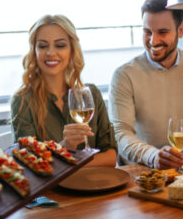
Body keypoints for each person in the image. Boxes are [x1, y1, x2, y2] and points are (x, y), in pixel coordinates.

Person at [108, 0, 183, 169]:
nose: (153, 41)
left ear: (180, 30)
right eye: (148, 32)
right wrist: (153, 156)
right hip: (144, 172)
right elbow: (120, 134)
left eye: (162, 32)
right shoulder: (124, 75)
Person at [11, 14, 117, 167]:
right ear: (34, 51)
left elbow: (111, 157)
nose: (51, 53)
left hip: (95, 186)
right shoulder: (22, 101)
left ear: (72, 50)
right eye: (42, 46)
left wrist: (66, 164)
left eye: (60, 45)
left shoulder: (91, 94)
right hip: (52, 191)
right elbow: (31, 166)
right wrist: (65, 146)